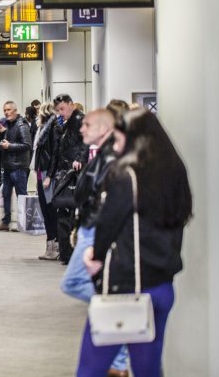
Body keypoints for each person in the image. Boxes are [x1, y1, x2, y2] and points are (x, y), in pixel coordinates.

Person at [77, 109, 192, 377]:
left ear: (134, 141)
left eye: (118, 141)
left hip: (126, 288)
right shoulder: (175, 174)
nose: (116, 148)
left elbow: (108, 224)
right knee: (147, 370)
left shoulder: (126, 176)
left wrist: (95, 257)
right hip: (162, 286)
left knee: (90, 369)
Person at [59, 108, 130, 376]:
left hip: (96, 230)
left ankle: (121, 345)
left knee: (75, 283)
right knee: (91, 288)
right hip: (90, 227)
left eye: (87, 125)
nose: (81, 129)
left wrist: (94, 232)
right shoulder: (102, 155)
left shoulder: (111, 159)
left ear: (103, 129)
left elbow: (107, 200)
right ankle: (119, 360)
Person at [45, 94, 89, 263]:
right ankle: (66, 252)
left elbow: (86, 141)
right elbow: (58, 150)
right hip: (65, 173)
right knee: (63, 212)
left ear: (71, 104)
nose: (60, 113)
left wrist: (80, 159)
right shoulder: (64, 124)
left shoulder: (80, 120)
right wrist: (51, 174)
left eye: (62, 109)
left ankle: (70, 253)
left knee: (70, 213)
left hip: (74, 174)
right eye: (58, 110)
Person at [0, 101, 32, 232]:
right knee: (6, 194)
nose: (7, 112)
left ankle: (22, 223)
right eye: (5, 110)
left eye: (9, 110)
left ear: (15, 110)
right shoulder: (8, 125)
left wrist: (10, 146)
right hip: (8, 166)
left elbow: (27, 145)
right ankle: (5, 222)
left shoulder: (21, 125)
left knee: (21, 196)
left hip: (19, 167)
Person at [32, 102, 59, 260]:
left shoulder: (50, 129)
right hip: (42, 173)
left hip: (46, 174)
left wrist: (49, 175)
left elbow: (53, 153)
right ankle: (51, 246)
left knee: (49, 211)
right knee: (46, 210)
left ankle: (54, 246)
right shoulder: (43, 130)